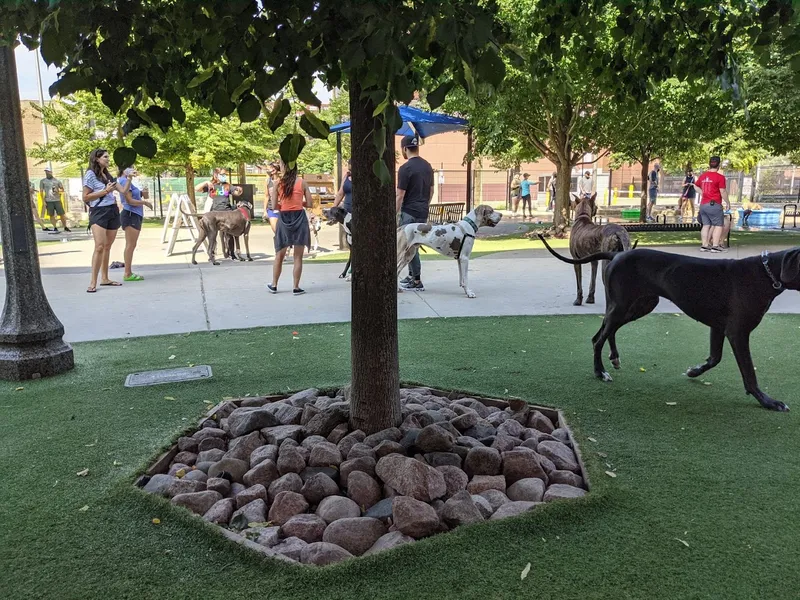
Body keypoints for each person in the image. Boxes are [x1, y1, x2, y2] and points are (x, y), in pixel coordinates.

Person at [82, 148, 131, 293]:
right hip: (99, 212)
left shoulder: (108, 176)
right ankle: (93, 282)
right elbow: (85, 197)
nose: (108, 159)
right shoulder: (90, 175)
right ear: (97, 159)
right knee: (99, 246)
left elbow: (123, 191)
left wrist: (129, 178)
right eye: (105, 157)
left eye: (108, 157)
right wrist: (105, 192)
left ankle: (105, 278)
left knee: (107, 246)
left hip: (112, 210)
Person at [267, 159, 312, 295]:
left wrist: (285, 205)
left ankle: (274, 284)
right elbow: (309, 203)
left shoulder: (278, 184)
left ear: (284, 168)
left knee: (279, 254)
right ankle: (296, 287)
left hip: (284, 217)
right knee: (298, 256)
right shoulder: (302, 182)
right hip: (299, 217)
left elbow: (274, 206)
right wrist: (298, 204)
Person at [396, 135, 434, 292]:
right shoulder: (427, 166)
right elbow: (431, 191)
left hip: (408, 211)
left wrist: (395, 212)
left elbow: (400, 195)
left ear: (405, 149)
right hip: (422, 211)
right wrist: (425, 205)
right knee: (415, 244)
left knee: (409, 245)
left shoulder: (405, 168)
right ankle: (412, 276)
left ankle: (416, 279)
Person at [118, 165, 153, 282]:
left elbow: (136, 195)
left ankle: (128, 272)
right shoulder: (123, 181)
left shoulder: (132, 182)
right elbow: (129, 200)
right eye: (130, 167)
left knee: (132, 245)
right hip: (130, 214)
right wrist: (144, 203)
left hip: (136, 214)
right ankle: (127, 273)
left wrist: (143, 193)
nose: (133, 170)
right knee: (130, 245)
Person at [693, 156, 730, 253]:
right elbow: (723, 191)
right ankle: (715, 246)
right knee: (718, 225)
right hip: (714, 204)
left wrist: (703, 193)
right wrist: (727, 202)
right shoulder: (720, 177)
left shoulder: (703, 176)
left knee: (706, 225)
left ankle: (704, 246)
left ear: (709, 164)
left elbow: (695, 186)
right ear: (719, 165)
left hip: (703, 204)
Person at [40, 168, 70, 232]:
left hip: (57, 199)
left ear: (51, 172)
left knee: (61, 213)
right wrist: (43, 201)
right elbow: (41, 191)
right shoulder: (43, 181)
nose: (47, 173)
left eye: (48, 172)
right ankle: (55, 227)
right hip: (48, 200)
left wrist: (58, 191)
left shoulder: (57, 181)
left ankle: (65, 226)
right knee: (51, 214)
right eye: (46, 172)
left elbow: (62, 189)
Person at [332, 160, 353, 250]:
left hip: (357, 212)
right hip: (347, 211)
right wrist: (333, 208)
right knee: (349, 237)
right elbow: (340, 193)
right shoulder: (346, 177)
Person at [263, 162, 281, 233]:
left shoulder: (282, 181)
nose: (272, 169)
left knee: (284, 232)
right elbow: (266, 196)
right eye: (270, 168)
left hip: (282, 209)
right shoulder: (268, 181)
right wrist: (264, 211)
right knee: (276, 231)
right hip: (271, 209)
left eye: (273, 167)